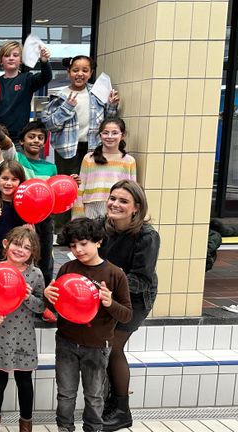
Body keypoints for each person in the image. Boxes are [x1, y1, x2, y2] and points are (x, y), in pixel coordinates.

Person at [43, 217, 131, 432]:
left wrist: (110, 303)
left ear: (98, 241)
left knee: (94, 396)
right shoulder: (67, 269)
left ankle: (93, 428)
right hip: (66, 342)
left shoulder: (115, 274)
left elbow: (127, 315)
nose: (78, 250)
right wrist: (47, 296)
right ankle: (64, 428)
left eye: (83, 243)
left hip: (98, 346)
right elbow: (55, 306)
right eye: (73, 245)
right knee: (65, 394)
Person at [98, 180, 159, 431]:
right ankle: (110, 403)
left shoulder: (147, 236)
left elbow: (142, 280)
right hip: (108, 294)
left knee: (114, 348)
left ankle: (122, 411)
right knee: (104, 347)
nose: (115, 204)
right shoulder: (105, 226)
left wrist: (110, 278)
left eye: (123, 201)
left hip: (135, 298)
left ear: (136, 208)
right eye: (113, 198)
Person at [0, 226, 45, 432]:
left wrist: (28, 298)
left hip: (25, 337)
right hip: (0, 335)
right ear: (6, 244)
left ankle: (26, 425)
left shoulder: (35, 274)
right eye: (16, 244)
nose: (20, 250)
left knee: (24, 383)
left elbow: (42, 306)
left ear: (33, 253)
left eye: (27, 247)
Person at [42, 55, 120, 231]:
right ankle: (61, 230)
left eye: (85, 70)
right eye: (76, 70)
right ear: (69, 72)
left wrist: (112, 105)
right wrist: (67, 107)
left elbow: (109, 121)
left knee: (87, 189)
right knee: (65, 188)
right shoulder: (59, 95)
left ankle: (85, 228)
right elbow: (50, 125)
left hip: (93, 148)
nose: (80, 74)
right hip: (67, 149)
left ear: (91, 73)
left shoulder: (98, 93)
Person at [14, 120, 58, 285]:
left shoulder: (51, 167)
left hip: (45, 219)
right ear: (22, 141)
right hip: (20, 217)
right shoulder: (17, 159)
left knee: (45, 258)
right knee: (20, 256)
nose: (36, 140)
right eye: (31, 136)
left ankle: (44, 296)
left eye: (40, 138)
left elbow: (56, 194)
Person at [0, 40, 52, 143]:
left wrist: (44, 61)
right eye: (7, 55)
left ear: (21, 60)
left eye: (15, 55)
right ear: (1, 60)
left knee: (18, 160)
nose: (11, 58)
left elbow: (46, 77)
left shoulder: (27, 79)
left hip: (19, 138)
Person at [73, 118, 137, 219]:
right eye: (106, 133)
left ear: (123, 135)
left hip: (117, 208)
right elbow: (80, 188)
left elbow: (133, 192)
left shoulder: (129, 161)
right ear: (100, 135)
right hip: (91, 208)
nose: (110, 136)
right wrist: (78, 215)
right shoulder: (89, 158)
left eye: (115, 133)